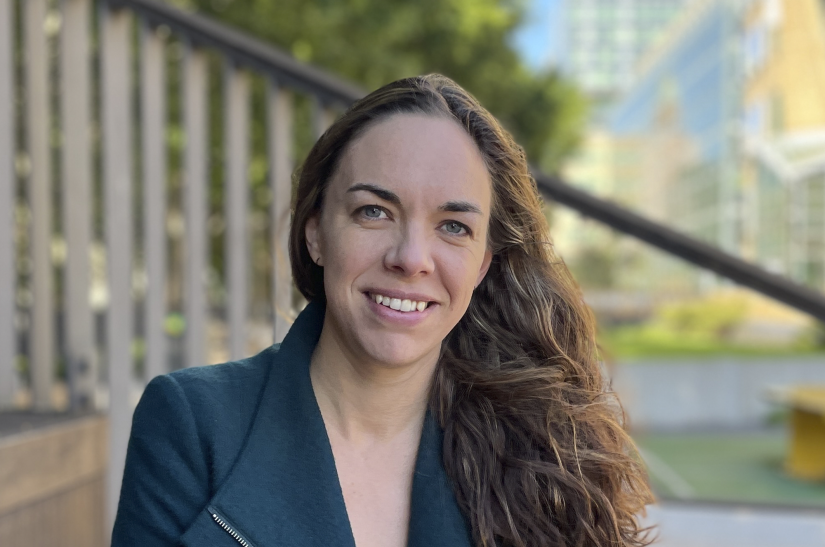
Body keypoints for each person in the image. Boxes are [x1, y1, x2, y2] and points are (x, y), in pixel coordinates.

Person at [112, 74, 653, 547]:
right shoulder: (192, 423)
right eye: (374, 211)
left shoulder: (546, 455)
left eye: (453, 227)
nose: (411, 258)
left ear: (483, 265)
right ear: (317, 234)